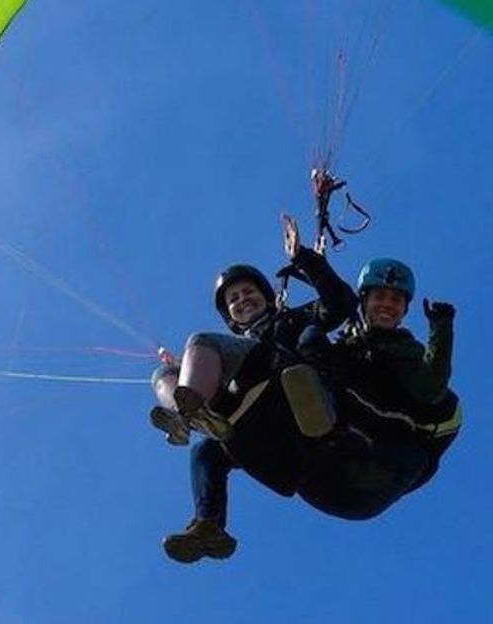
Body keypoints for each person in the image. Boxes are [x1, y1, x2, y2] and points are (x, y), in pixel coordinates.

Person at [151, 231, 357, 562]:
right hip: (265, 439)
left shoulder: (291, 320)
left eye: (248, 292)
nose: (242, 300)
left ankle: (191, 411)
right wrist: (183, 372)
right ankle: (208, 525)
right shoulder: (224, 351)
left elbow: (342, 305)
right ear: (230, 316)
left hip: (288, 392)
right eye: (233, 299)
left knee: (199, 342)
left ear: (267, 297)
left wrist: (304, 258)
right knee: (196, 434)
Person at [296, 258, 460, 519]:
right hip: (326, 471)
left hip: (384, 466)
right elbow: (339, 299)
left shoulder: (405, 352)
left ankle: (327, 431)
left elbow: (429, 388)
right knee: (311, 340)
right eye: (379, 297)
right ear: (365, 302)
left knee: (353, 367)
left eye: (396, 300)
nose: (387, 305)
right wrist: (306, 260)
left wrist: (441, 328)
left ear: (404, 310)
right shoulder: (348, 347)